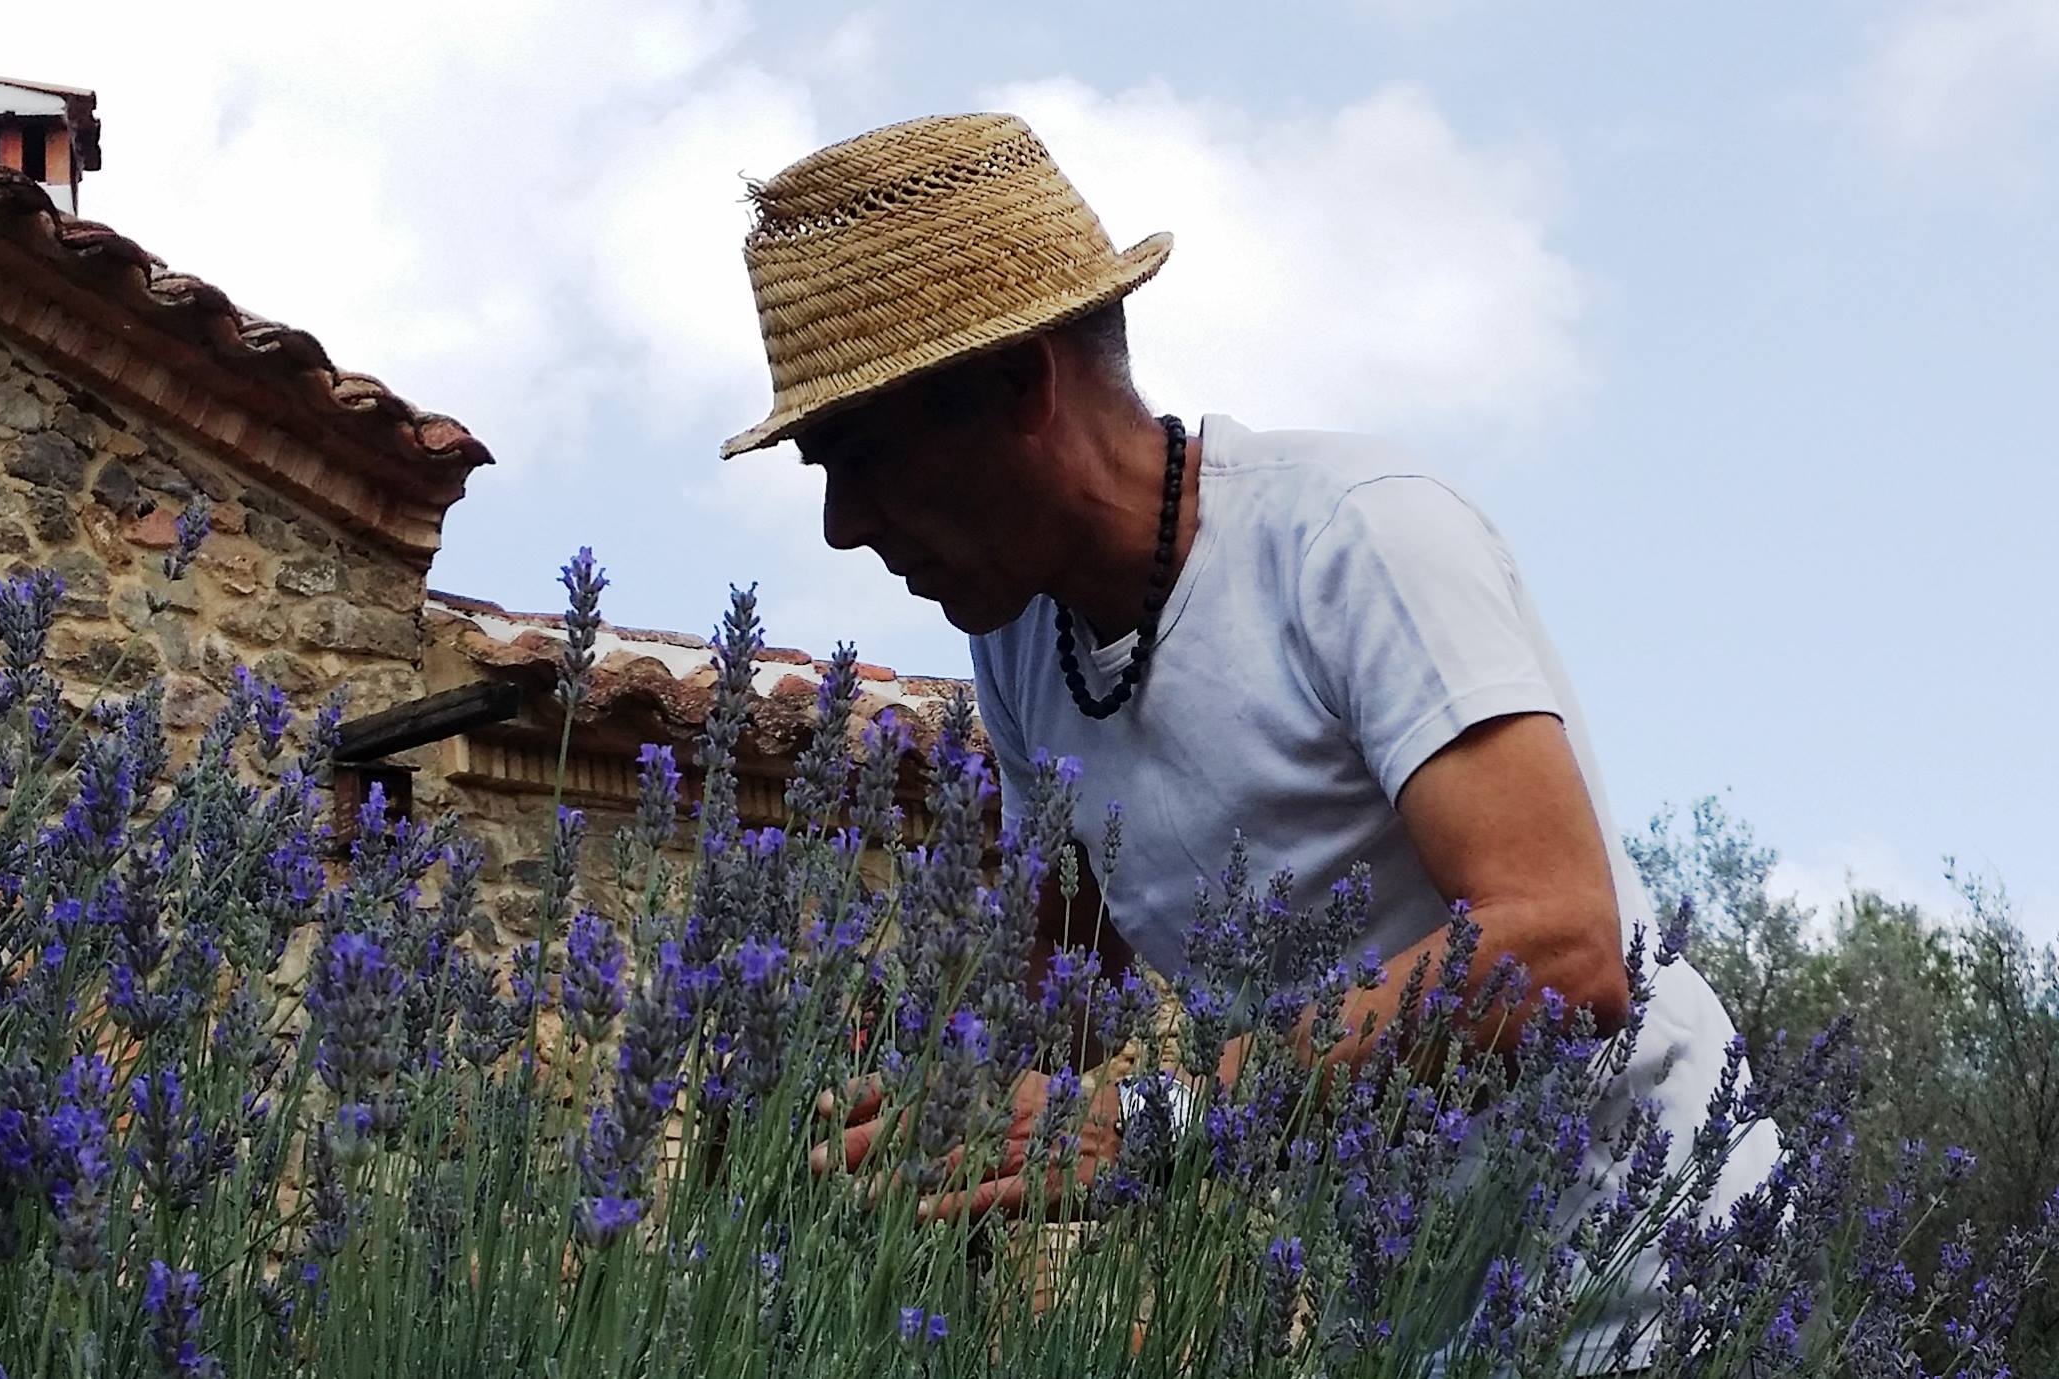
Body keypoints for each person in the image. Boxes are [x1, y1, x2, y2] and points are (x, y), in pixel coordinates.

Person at [726, 112, 1779, 1372]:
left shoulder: (1354, 536)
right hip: (1402, 1271)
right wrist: (917, 1127)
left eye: (863, 453)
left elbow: (1562, 945)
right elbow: (1064, 995)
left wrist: (1168, 1113)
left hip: (1654, 1236)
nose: (843, 524)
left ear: (1022, 386)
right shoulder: (1021, 647)